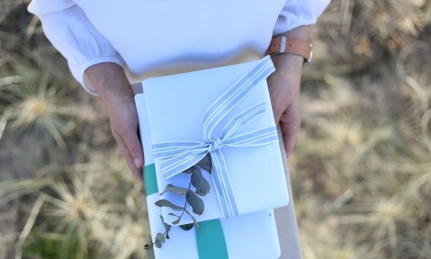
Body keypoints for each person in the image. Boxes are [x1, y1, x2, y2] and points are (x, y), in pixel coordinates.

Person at [28, 0, 330, 181]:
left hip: (254, 83)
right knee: (178, 214)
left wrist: (289, 58)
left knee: (258, 206)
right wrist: (115, 92)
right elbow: (59, 6)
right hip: (152, 95)